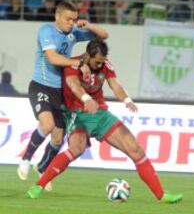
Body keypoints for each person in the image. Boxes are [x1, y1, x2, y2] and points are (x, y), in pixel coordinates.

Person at [26, 39, 183, 204]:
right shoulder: (73, 66)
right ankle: (39, 185)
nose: (99, 65)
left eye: (102, 61)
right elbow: (74, 86)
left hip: (100, 114)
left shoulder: (105, 64)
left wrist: (127, 100)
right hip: (77, 114)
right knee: (76, 150)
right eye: (96, 62)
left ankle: (162, 196)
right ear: (87, 56)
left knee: (135, 149)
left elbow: (115, 85)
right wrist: (86, 99)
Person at [17, 1, 109, 192]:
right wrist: (76, 64)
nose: (71, 23)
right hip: (40, 85)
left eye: (74, 19)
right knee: (47, 124)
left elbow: (104, 36)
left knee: (58, 139)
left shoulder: (73, 31)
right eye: (68, 19)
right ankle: (26, 159)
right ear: (57, 17)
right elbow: (53, 58)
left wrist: (89, 25)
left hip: (59, 92)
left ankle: (42, 167)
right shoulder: (46, 31)